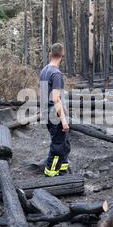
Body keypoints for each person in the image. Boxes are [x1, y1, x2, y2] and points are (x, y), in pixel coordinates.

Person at [40, 43, 71, 177]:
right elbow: (56, 99)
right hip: (55, 114)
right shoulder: (56, 74)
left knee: (65, 143)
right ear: (62, 56)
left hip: (46, 112)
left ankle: (63, 170)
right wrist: (63, 120)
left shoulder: (44, 70)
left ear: (50, 54)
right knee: (58, 145)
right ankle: (50, 174)